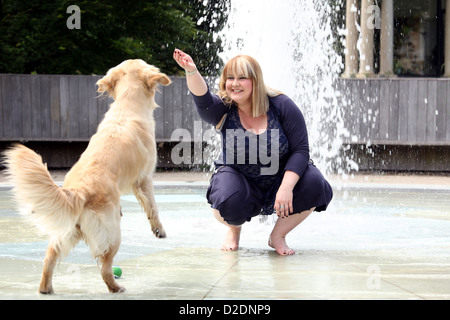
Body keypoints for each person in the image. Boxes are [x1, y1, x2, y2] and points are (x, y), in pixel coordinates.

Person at [173, 49, 333, 255]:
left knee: (314, 183)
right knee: (227, 201)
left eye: (242, 78)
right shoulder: (223, 108)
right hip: (240, 179)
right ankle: (234, 229)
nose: (234, 83)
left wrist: (286, 187)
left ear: (255, 81)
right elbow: (202, 99)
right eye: (230, 78)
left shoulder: (282, 105)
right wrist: (191, 71)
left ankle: (278, 236)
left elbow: (301, 150)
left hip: (279, 179)